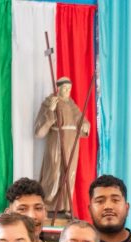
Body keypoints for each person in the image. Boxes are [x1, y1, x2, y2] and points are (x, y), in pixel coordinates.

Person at [35, 77, 91, 215]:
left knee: (69, 175)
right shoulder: (50, 101)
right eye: (65, 88)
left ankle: (64, 207)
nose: (67, 91)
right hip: (56, 142)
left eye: (69, 89)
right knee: (53, 174)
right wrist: (50, 110)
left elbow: (81, 119)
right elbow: (39, 131)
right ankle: (47, 205)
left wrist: (85, 125)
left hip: (72, 144)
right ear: (58, 88)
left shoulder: (71, 104)